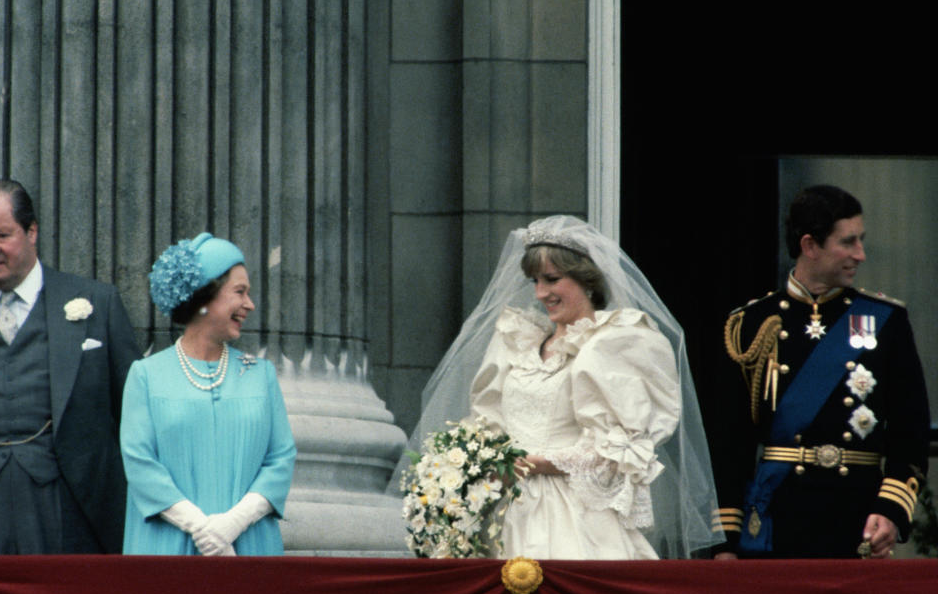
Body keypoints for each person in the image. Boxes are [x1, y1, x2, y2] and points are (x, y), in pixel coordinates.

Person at [399, 215, 721, 559]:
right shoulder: (515, 342)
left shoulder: (611, 344)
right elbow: (488, 425)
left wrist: (531, 462)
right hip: (507, 511)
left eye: (552, 279)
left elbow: (616, 453)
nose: (540, 293)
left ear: (586, 280)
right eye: (535, 280)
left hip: (575, 516)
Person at [711, 185, 931, 559]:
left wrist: (891, 508)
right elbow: (728, 443)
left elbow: (910, 431)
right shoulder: (750, 324)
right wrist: (727, 538)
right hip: (776, 522)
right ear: (810, 245)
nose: (860, 254)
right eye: (848, 243)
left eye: (861, 240)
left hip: (856, 518)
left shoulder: (885, 320)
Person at [0, 178, 141, 554]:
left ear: (31, 232)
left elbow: (134, 413)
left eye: (1, 235)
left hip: (72, 504)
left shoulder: (97, 302)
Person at [120, 233, 296, 555]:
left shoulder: (262, 376)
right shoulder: (145, 376)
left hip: (249, 546)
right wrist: (204, 531)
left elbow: (280, 459)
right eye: (239, 292)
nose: (250, 304)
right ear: (204, 297)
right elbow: (140, 464)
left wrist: (232, 525)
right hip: (168, 548)